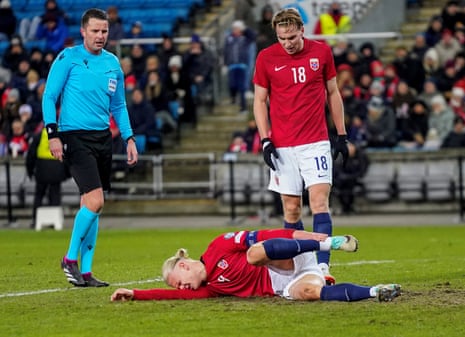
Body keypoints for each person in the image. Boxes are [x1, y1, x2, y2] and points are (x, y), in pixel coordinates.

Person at [42, 8, 138, 287]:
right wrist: (53, 134)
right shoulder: (68, 58)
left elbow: (118, 105)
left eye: (104, 31)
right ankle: (69, 259)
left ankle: (86, 272)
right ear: (83, 31)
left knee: (91, 205)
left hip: (102, 138)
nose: (100, 36)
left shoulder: (112, 63)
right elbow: (49, 96)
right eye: (95, 31)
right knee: (96, 201)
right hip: (74, 136)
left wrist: (129, 138)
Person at [252, 8, 349, 285]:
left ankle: (322, 267)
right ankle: (298, 267)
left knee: (319, 202)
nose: (288, 43)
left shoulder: (321, 53)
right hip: (283, 146)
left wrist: (341, 135)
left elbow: (333, 92)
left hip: (315, 142)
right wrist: (265, 139)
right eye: (282, 38)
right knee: (291, 210)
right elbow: (260, 100)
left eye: (292, 37)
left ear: (302, 30)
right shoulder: (266, 58)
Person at [111, 228, 401, 302]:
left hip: (290, 255)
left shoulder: (218, 247)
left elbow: (264, 236)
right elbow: (169, 296)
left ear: (185, 265)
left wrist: (317, 240)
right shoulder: (211, 289)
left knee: (252, 253)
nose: (181, 288)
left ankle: (328, 246)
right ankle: (376, 292)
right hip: (287, 282)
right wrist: (135, 293)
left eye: (178, 281)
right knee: (310, 294)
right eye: (179, 287)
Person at [26, 127, 69, 229]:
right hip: (57, 169)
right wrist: (67, 173)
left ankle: (35, 220)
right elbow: (67, 154)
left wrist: (30, 171)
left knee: (39, 195)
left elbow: (31, 155)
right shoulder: (60, 135)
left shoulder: (39, 135)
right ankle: (55, 221)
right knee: (55, 195)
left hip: (42, 169)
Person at [332, 143, 369, 215]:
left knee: (350, 186)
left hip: (355, 180)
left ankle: (349, 207)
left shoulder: (360, 157)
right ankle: (345, 207)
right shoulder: (341, 157)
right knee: (341, 185)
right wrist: (344, 177)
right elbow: (337, 171)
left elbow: (362, 171)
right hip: (343, 181)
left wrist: (351, 177)